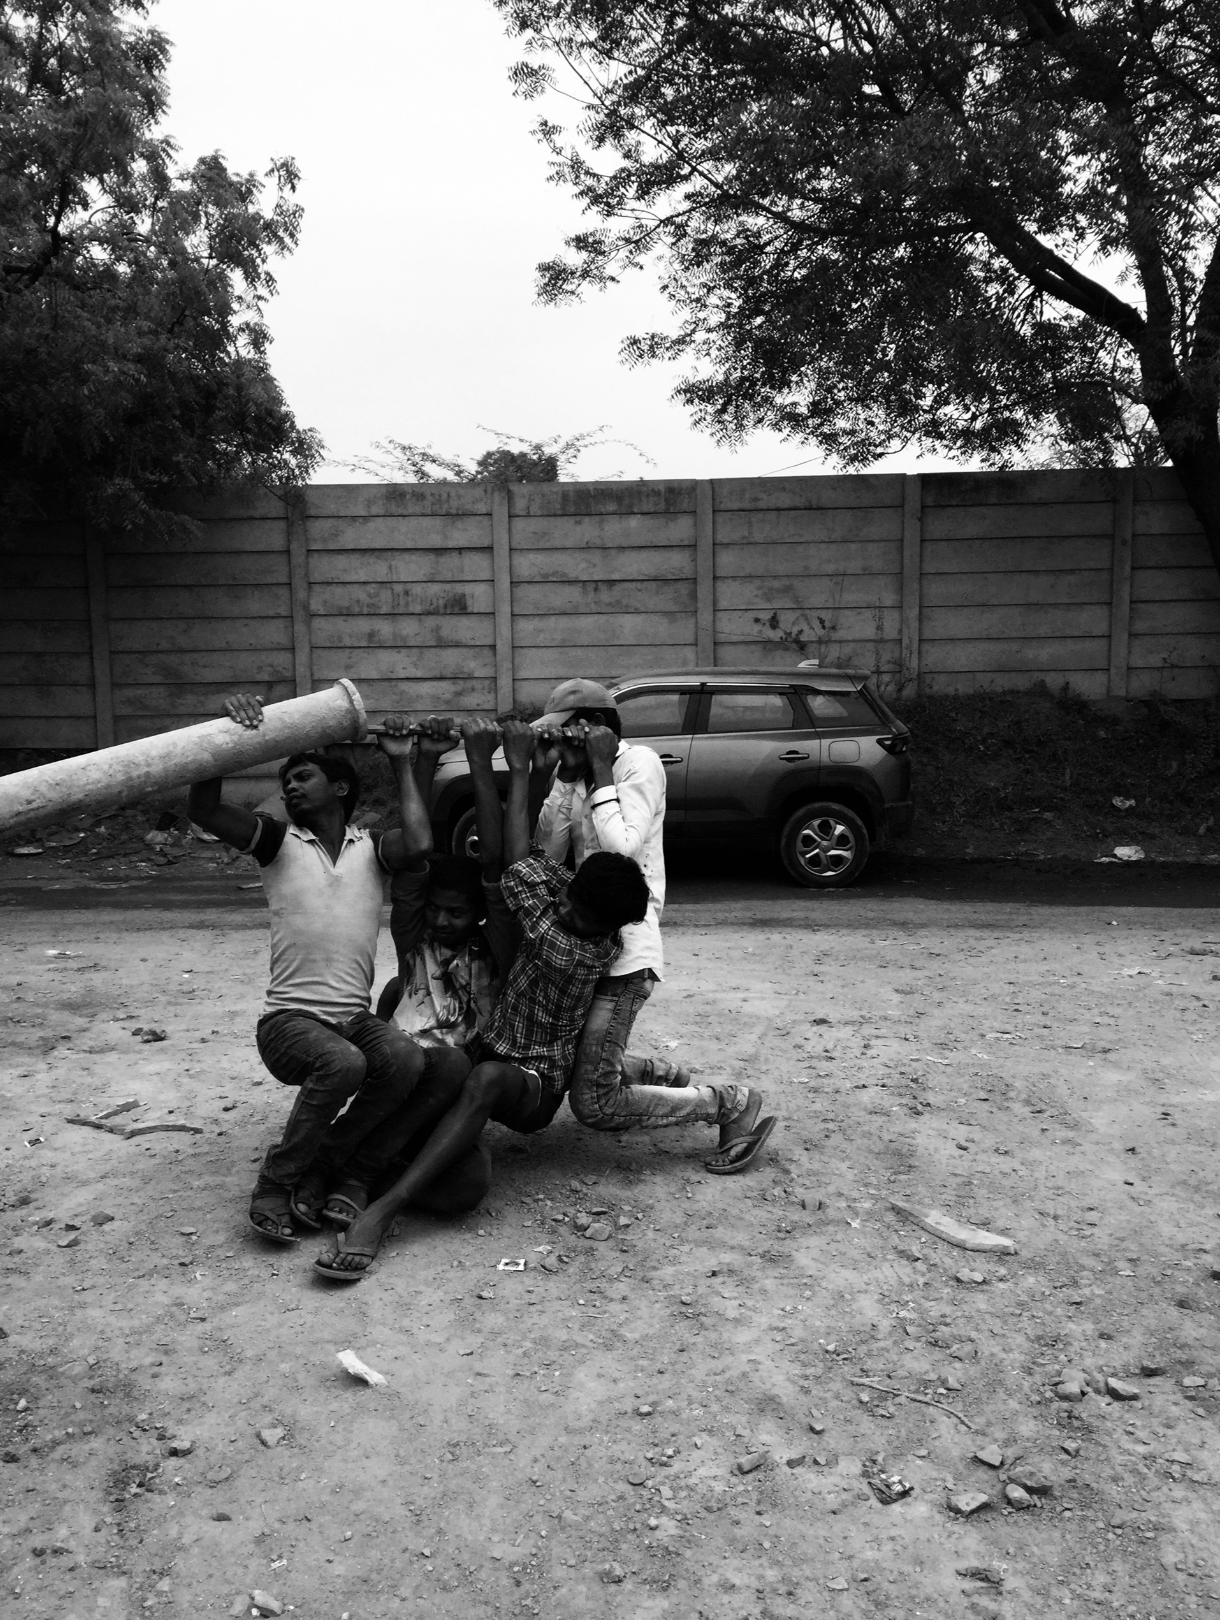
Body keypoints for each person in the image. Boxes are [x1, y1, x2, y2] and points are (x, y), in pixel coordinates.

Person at [314, 718, 651, 1280]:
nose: (567, 912)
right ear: (570, 885)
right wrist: (521, 769)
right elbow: (513, 861)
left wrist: (507, 764)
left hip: (532, 1083)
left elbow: (509, 866)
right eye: (568, 900)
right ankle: (363, 1169)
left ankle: (381, 1209)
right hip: (486, 1056)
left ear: (606, 929)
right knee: (451, 1091)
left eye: (581, 918)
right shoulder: (570, 899)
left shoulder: (573, 948)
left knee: (483, 1081)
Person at [188, 696, 454, 1244]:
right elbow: (207, 811)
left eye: (302, 776)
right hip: (288, 1024)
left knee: (405, 1058)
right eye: (285, 780)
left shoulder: (371, 848)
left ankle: (332, 1167)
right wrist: (223, 737)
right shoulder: (278, 843)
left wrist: (404, 759)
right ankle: (275, 1183)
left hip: (350, 1019)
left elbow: (422, 841)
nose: (289, 786)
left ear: (340, 789)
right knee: (344, 1064)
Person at [534, 678, 775, 1172]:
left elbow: (622, 849)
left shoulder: (637, 762)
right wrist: (564, 778)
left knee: (595, 1104)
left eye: (565, 735)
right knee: (567, 1057)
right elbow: (547, 852)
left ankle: (728, 1102)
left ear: (593, 728)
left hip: (625, 951)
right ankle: (658, 1074)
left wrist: (600, 768)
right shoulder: (581, 775)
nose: (559, 743)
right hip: (584, 944)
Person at [316, 716, 520, 1228]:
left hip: (449, 1097)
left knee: (467, 1188)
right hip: (399, 1079)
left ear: (477, 912)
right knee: (421, 1061)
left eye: (457, 911)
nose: (444, 920)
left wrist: (480, 761)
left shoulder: (494, 950)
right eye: (437, 909)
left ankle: (364, 1168)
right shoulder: (415, 945)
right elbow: (416, 857)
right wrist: (411, 760)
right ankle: (356, 1170)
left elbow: (494, 866)